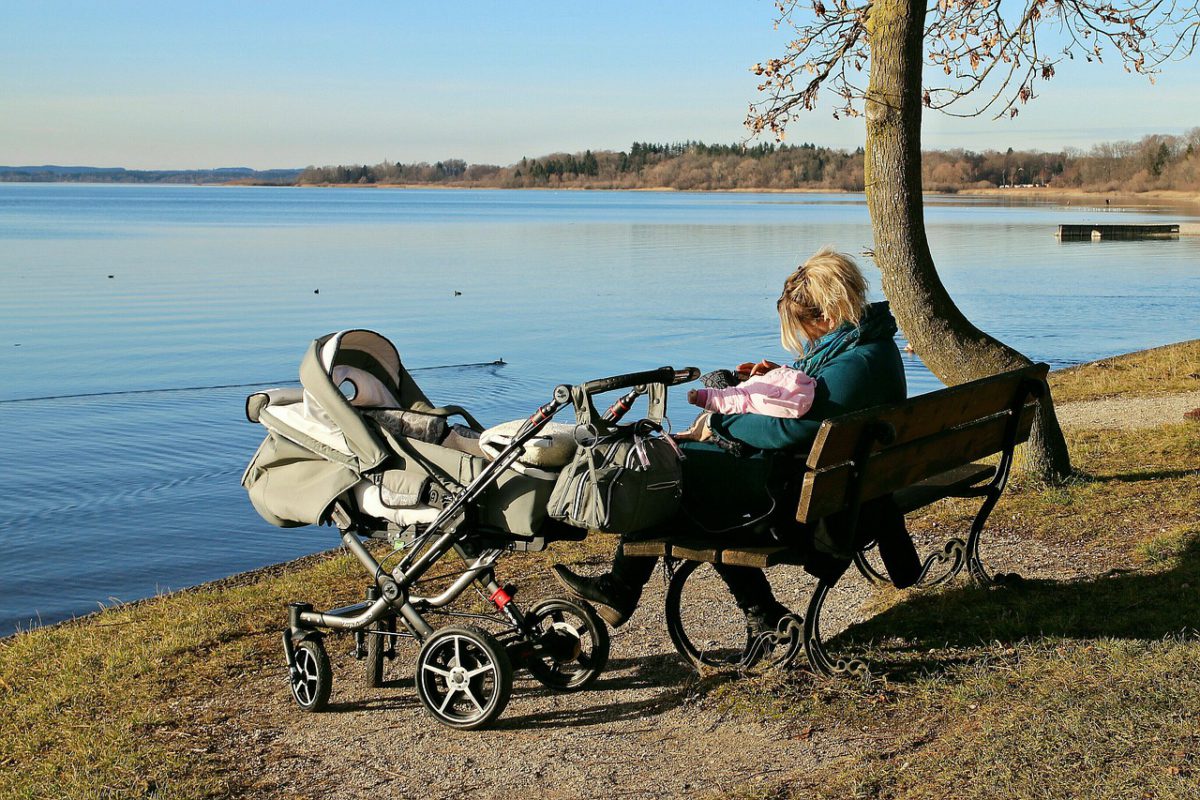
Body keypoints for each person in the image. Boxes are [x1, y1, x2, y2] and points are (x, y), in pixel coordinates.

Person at [553, 247, 907, 633]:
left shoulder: (857, 364)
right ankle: (751, 611)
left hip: (799, 504)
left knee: (668, 470)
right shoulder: (869, 347)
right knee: (685, 474)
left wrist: (721, 423)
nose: (805, 339)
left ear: (827, 315)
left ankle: (633, 589)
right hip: (838, 486)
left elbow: (791, 429)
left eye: (804, 328)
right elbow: (820, 399)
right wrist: (776, 379)